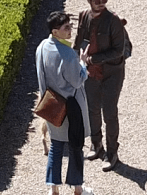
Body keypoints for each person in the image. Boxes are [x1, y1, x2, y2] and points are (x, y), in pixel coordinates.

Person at [75, 0, 133, 167]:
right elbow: (79, 41)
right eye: (97, 0)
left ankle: (112, 152)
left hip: (112, 72)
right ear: (89, 0)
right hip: (91, 73)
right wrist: (77, 58)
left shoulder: (113, 20)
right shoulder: (84, 16)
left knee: (109, 113)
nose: (101, 3)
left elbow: (118, 51)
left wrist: (92, 59)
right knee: (92, 109)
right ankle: (96, 144)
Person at [35, 11, 91, 194]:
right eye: (66, 27)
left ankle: (53, 188)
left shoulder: (41, 47)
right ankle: (77, 188)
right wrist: (83, 64)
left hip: (51, 105)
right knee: (76, 145)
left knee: (56, 145)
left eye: (70, 26)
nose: (70, 30)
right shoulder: (68, 54)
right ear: (55, 31)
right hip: (72, 106)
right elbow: (77, 81)